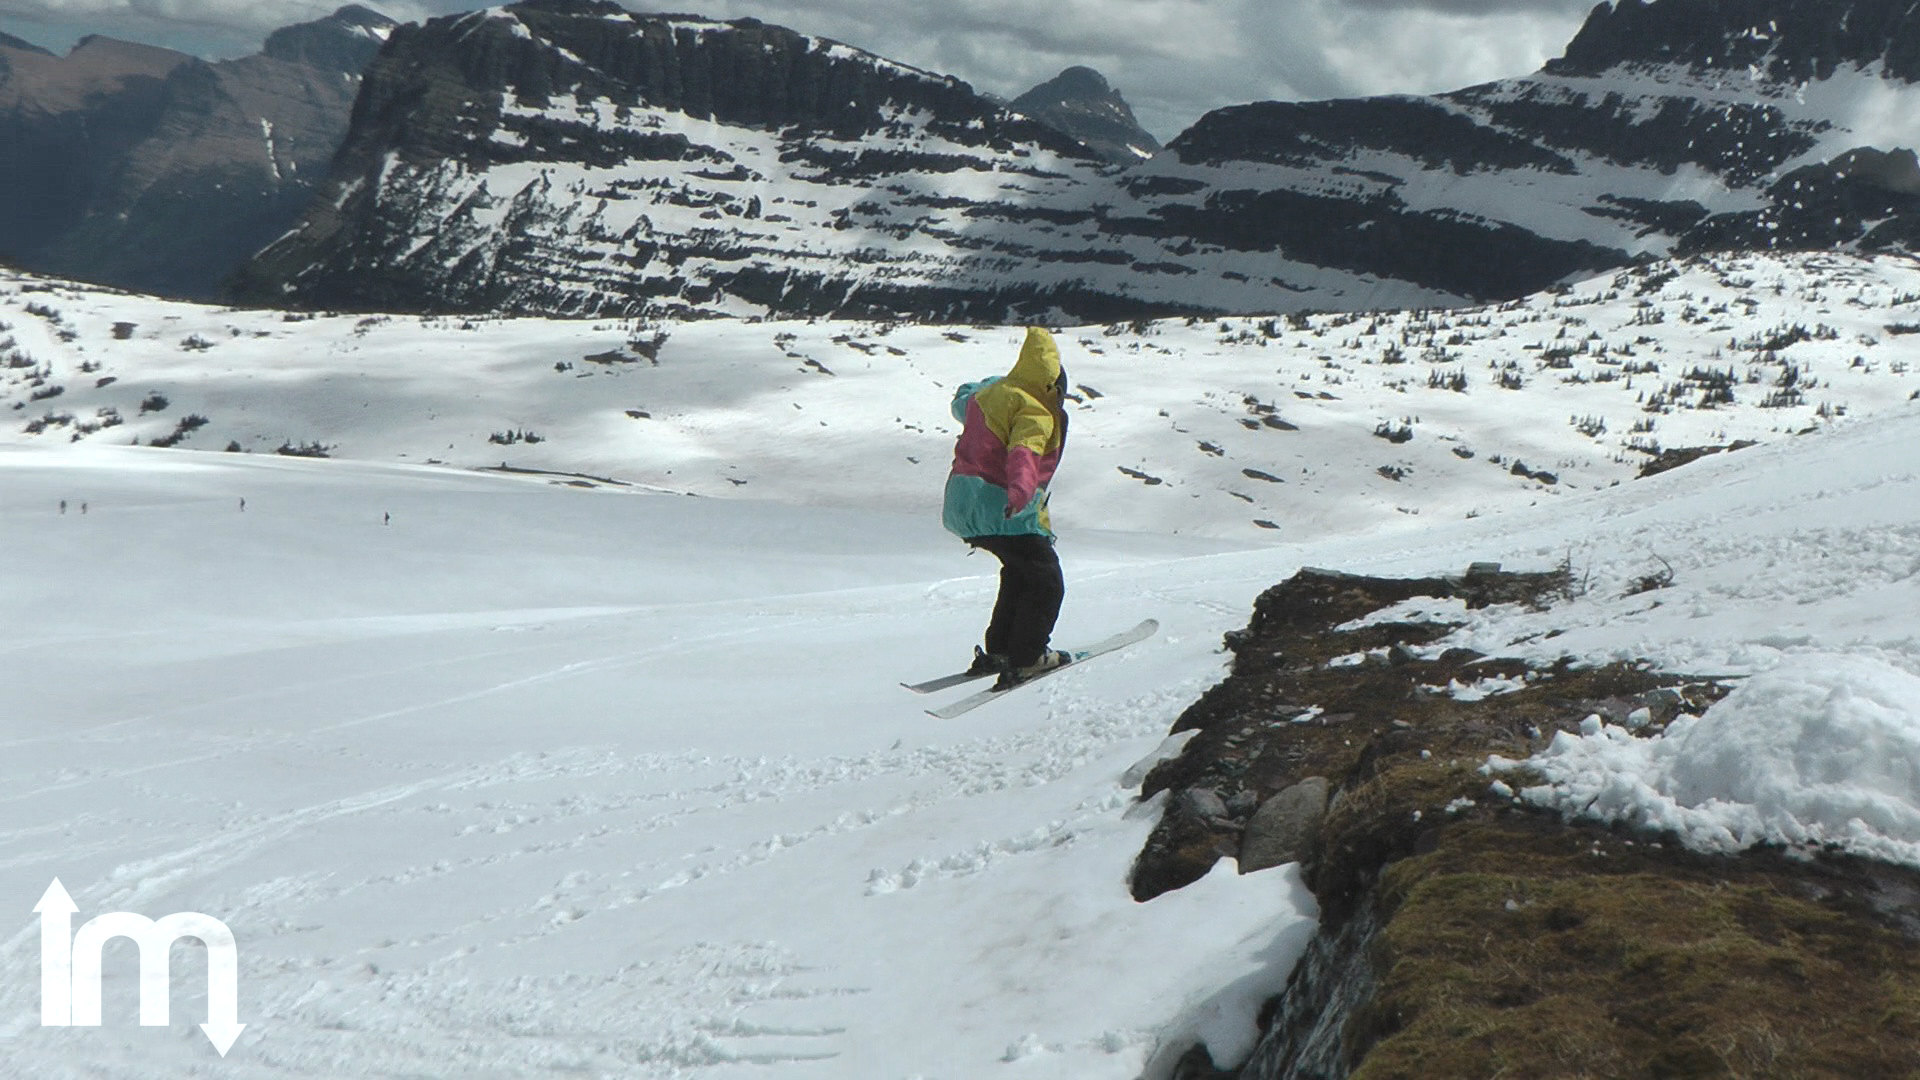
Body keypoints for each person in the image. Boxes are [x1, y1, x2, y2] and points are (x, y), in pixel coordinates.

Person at [942, 326, 1071, 689]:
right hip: (1005, 510)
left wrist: (987, 384)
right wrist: (1019, 492)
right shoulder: (1036, 409)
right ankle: (1027, 657)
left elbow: (962, 399)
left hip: (965, 508)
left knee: (1019, 574)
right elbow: (1024, 452)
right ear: (1053, 386)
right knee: (1046, 582)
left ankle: (1000, 651)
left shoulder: (993, 395)